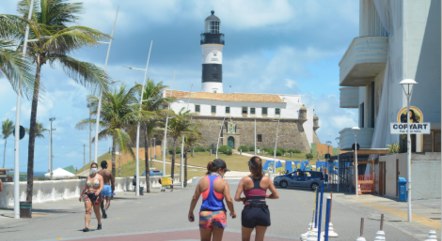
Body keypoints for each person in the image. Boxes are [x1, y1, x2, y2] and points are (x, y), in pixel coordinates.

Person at [188, 159, 236, 241]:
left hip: (205, 214)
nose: (224, 174)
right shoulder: (223, 182)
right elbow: (229, 200)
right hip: (219, 214)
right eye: (224, 171)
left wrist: (191, 211)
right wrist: (232, 211)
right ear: (220, 170)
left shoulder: (202, 181)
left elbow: (195, 198)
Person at [234, 156, 279, 241]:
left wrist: (242, 199)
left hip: (249, 210)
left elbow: (236, 198)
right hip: (263, 211)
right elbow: (276, 195)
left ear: (250, 167)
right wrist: (266, 196)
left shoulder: (245, 180)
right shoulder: (267, 179)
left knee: (245, 239)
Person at [79, 162, 104, 232]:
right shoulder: (88, 177)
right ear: (90, 168)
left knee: (96, 211)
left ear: (97, 168)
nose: (94, 168)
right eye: (92, 167)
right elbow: (86, 187)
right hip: (88, 194)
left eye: (95, 167)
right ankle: (86, 226)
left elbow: (101, 186)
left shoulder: (99, 177)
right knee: (88, 210)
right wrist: (81, 195)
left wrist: (98, 191)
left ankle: (99, 223)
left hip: (96, 196)